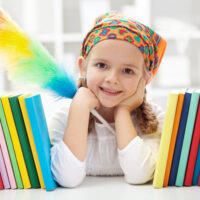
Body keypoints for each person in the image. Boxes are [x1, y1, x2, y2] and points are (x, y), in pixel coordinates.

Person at [50, 11, 167, 188]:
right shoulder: (66, 114)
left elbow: (138, 175)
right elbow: (67, 178)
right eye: (102, 65)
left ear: (146, 79)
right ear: (83, 67)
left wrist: (123, 112)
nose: (112, 78)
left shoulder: (154, 120)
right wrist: (79, 110)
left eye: (128, 70)